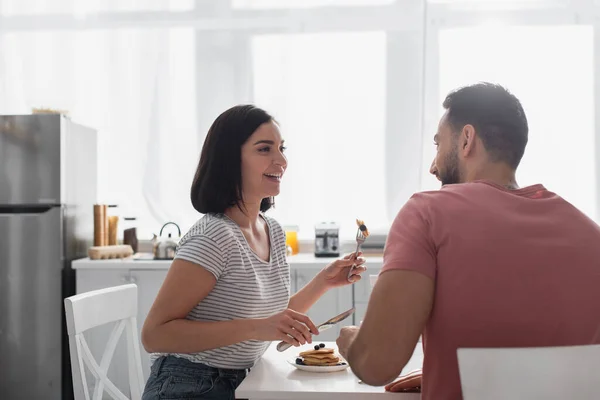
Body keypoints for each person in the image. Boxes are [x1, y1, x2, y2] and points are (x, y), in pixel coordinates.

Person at [336, 82, 600, 400]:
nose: (433, 166)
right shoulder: (589, 233)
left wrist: (351, 341)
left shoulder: (427, 212)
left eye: (438, 145)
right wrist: (443, 369)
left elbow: (376, 365)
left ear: (466, 139)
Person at [141, 105, 366, 400]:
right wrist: (255, 329)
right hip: (189, 385)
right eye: (264, 149)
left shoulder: (271, 229)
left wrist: (325, 281)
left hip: (244, 378)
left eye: (281, 148)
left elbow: (268, 319)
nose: (282, 160)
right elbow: (154, 334)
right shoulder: (213, 236)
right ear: (229, 161)